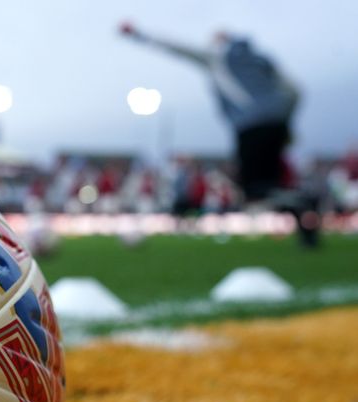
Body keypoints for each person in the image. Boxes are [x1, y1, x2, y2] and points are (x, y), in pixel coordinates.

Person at [120, 22, 319, 246]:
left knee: (255, 189)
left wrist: (139, 35)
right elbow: (294, 91)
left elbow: (178, 48)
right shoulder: (261, 60)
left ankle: (300, 203)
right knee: (269, 185)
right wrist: (285, 122)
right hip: (277, 123)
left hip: (250, 126)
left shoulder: (218, 58)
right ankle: (303, 215)